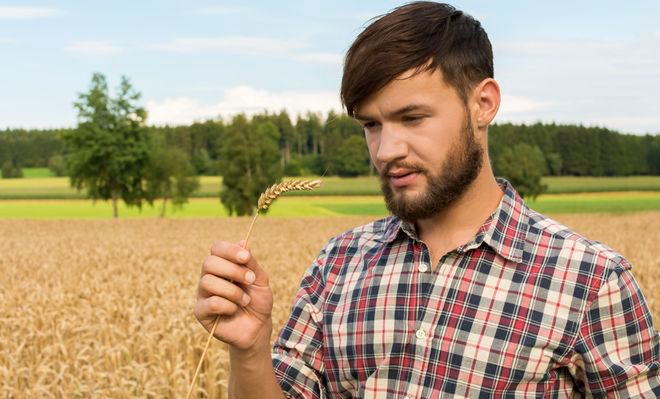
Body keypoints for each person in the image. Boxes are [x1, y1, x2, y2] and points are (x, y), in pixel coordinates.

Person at [194, 2, 660, 397]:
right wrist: (251, 349)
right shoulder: (338, 263)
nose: (385, 150)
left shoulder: (592, 282)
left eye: (412, 117)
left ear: (484, 104)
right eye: (370, 125)